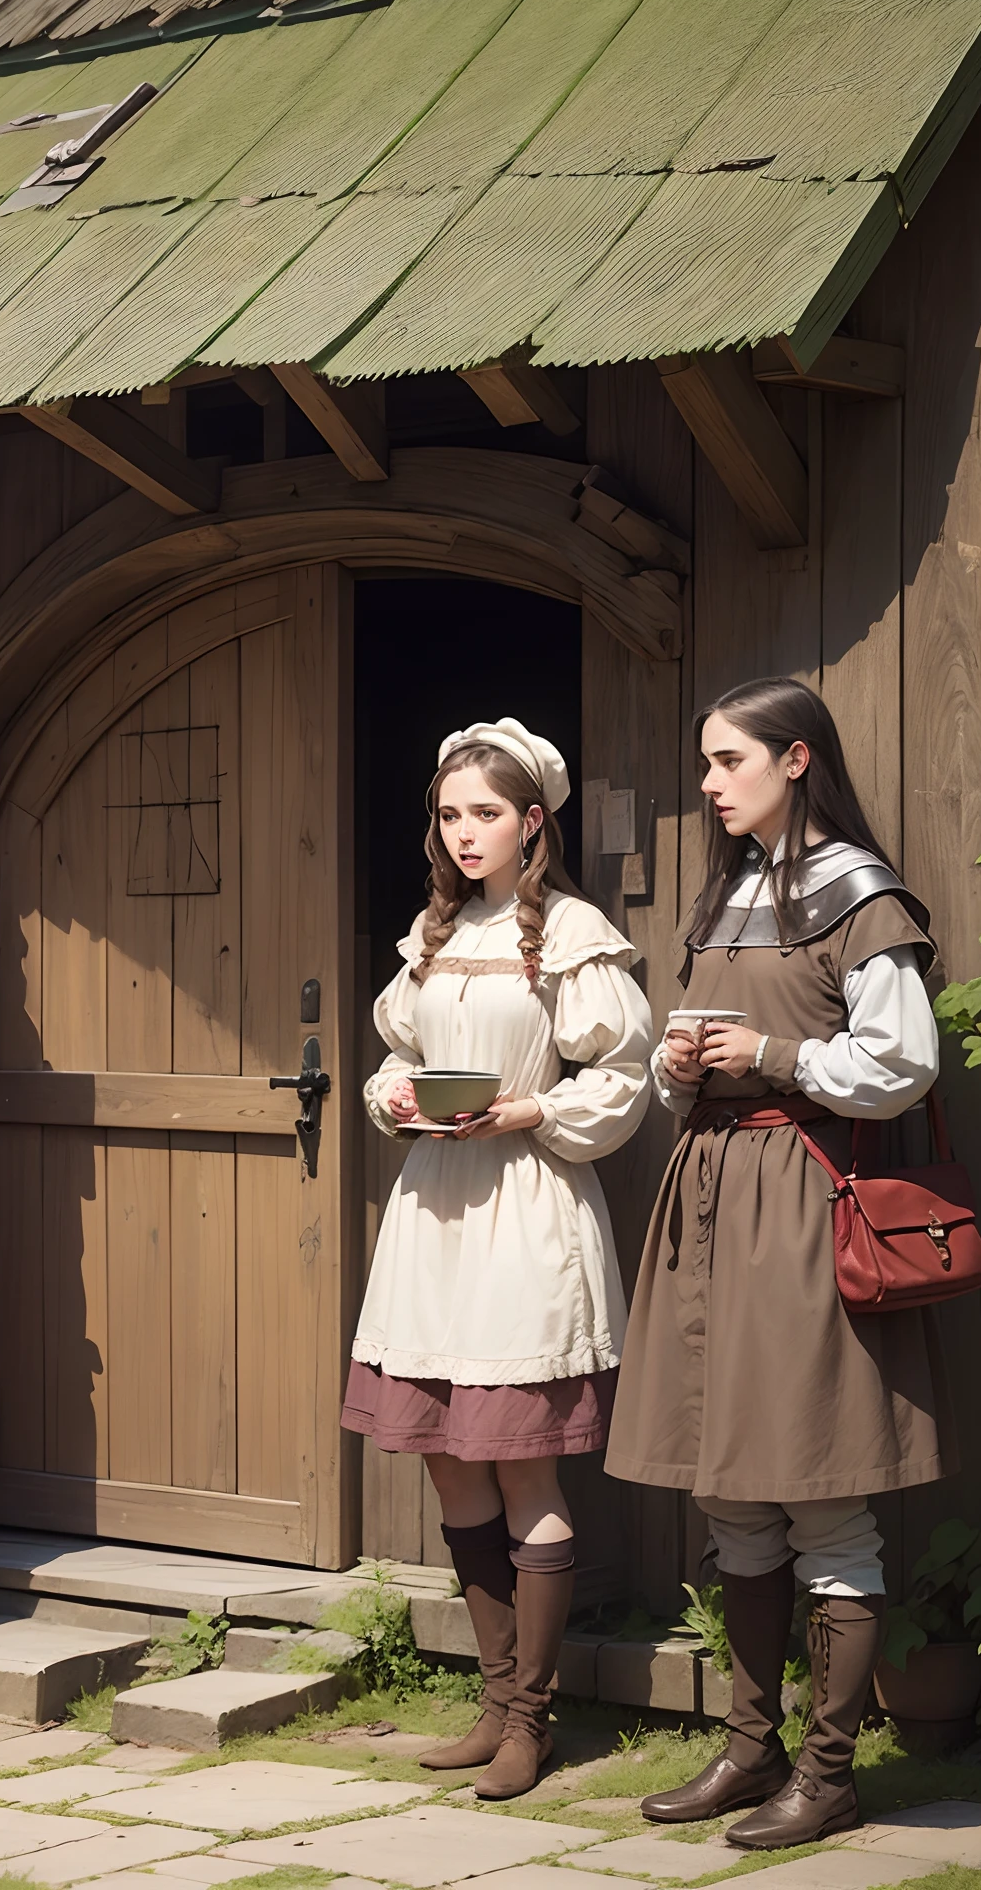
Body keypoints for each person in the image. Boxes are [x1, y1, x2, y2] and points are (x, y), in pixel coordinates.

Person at [606, 676, 952, 1849]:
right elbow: (686, 1062)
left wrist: (771, 1049)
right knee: (729, 1488)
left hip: (801, 1202)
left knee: (819, 1493)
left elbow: (900, 1062)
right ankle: (748, 1751)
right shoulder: (725, 894)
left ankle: (827, 1769)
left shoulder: (857, 892)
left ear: (794, 760)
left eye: (725, 761)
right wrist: (682, 1057)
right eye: (705, 762)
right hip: (704, 1198)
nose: (706, 783)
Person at [344, 719, 650, 1799]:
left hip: (522, 1208)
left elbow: (622, 1070)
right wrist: (391, 1090)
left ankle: (532, 1718)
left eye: (486, 813)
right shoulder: (431, 933)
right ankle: (490, 1700)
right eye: (448, 813)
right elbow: (399, 1048)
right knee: (446, 1454)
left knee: (521, 1461)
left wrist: (532, 1106)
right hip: (433, 1215)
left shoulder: (569, 931)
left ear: (532, 821)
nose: (464, 832)